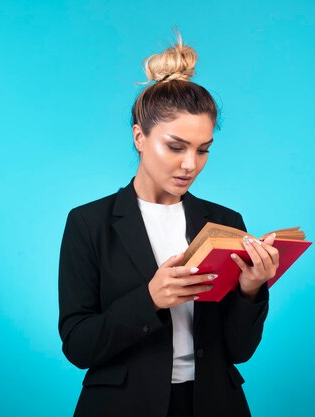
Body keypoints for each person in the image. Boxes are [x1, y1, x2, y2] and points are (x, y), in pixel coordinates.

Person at [58, 33, 280, 417]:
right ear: (140, 137)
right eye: (176, 147)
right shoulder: (88, 223)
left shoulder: (225, 222)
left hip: (213, 404)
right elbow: (78, 346)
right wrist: (150, 299)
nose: (190, 165)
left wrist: (250, 291)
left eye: (203, 149)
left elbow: (239, 351)